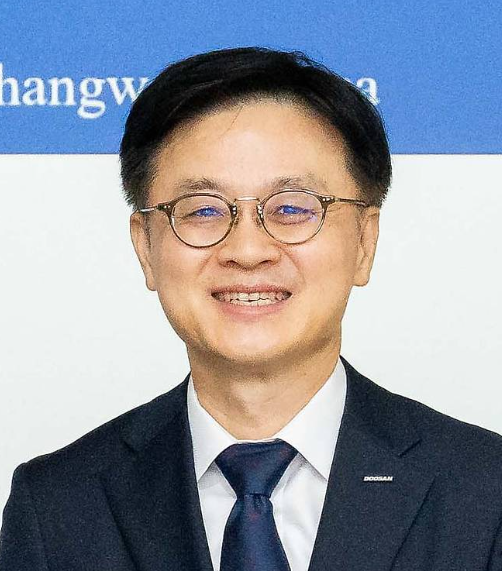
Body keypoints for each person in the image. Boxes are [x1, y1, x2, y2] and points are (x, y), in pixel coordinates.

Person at [1, 46, 501, 571]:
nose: (246, 249)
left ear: (364, 242)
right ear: (145, 247)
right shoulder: (58, 507)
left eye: (292, 208)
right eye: (202, 211)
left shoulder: (484, 493)